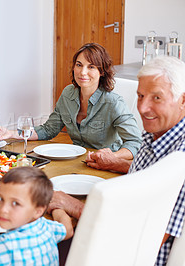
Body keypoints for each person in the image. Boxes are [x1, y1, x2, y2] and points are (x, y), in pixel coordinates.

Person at [52, 56, 185, 265]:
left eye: (157, 98)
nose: (142, 108)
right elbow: (152, 177)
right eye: (141, 96)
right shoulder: (158, 133)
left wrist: (75, 207)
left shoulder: (179, 160)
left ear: (183, 99)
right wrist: (118, 164)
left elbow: (147, 236)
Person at [0, 43, 142, 162]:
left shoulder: (113, 103)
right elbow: (49, 130)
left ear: (101, 72)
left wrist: (113, 158)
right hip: (76, 161)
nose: (83, 72)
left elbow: (135, 142)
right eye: (79, 65)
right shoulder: (68, 93)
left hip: (105, 166)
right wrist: (12, 134)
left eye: (91, 67)